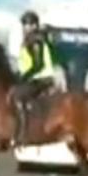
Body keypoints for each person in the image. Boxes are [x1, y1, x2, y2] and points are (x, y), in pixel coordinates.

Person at [13, 10, 56, 144]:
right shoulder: (29, 40)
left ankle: (23, 133)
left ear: (35, 26)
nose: (26, 28)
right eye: (25, 24)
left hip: (42, 78)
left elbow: (38, 64)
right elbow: (25, 64)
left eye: (29, 24)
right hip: (34, 77)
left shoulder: (36, 40)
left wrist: (23, 77)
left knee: (18, 97)